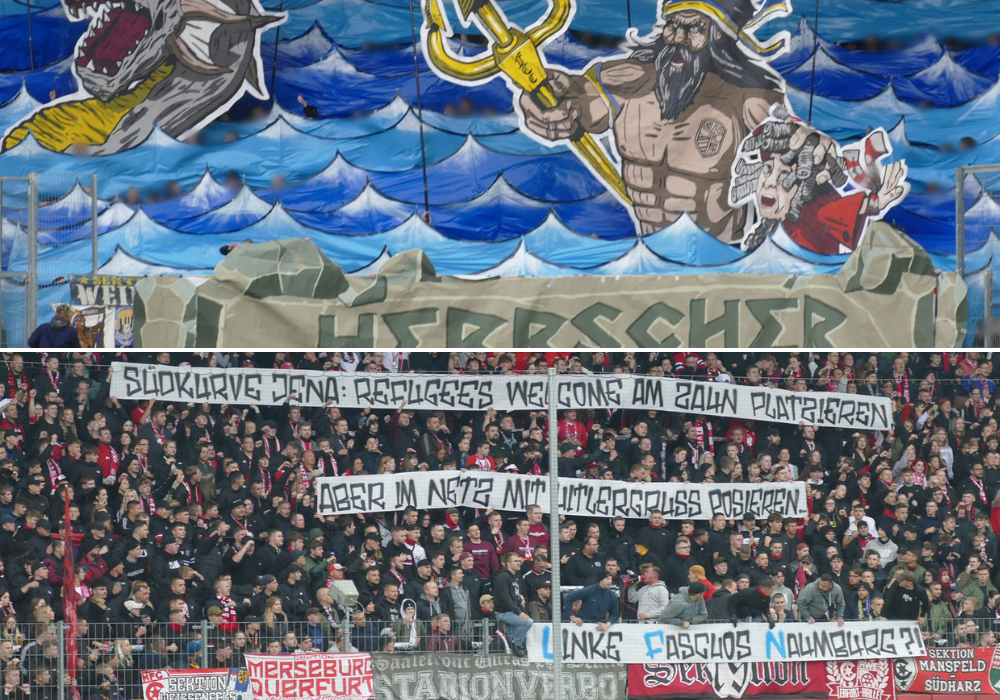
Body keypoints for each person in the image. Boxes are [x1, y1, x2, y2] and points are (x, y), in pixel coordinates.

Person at [493, 553, 532, 657]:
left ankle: (514, 649)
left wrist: (523, 611)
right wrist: (518, 612)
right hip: (503, 612)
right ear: (508, 564)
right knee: (527, 622)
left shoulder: (515, 578)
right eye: (515, 561)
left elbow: (517, 599)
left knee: (513, 638)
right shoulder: (503, 577)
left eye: (519, 561)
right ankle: (517, 645)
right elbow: (504, 597)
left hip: (511, 612)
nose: (519, 563)